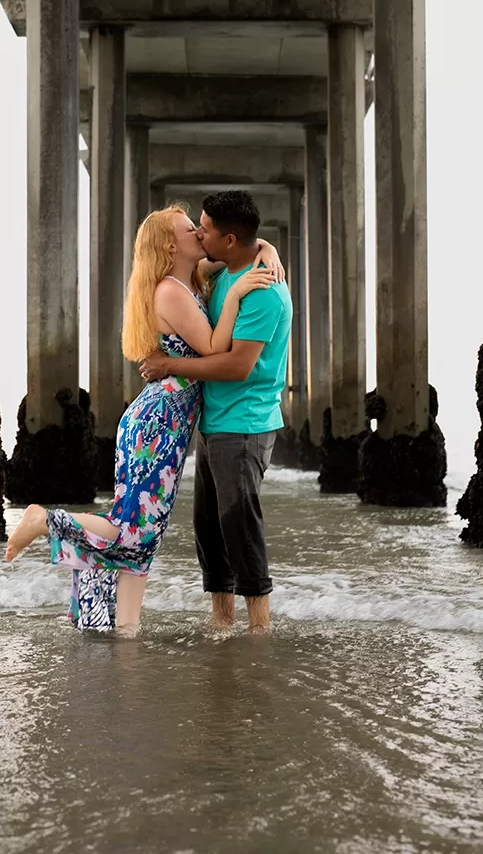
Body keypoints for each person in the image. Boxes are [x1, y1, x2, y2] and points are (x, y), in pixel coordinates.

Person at [4, 204, 284, 634]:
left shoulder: (193, 279)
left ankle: (120, 626)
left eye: (202, 228)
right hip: (158, 423)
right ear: (171, 244)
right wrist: (237, 292)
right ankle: (46, 519)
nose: (199, 233)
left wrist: (267, 247)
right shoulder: (171, 289)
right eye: (191, 229)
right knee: (132, 526)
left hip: (166, 422)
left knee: (143, 533)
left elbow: (239, 245)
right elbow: (212, 347)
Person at [140, 191, 293, 634]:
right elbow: (191, 266)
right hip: (215, 423)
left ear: (228, 239)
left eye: (204, 228)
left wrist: (169, 365)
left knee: (239, 527)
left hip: (244, 424)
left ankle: (259, 632)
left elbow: (236, 365)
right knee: (210, 530)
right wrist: (267, 245)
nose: (197, 232)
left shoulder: (264, 293)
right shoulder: (227, 270)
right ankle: (222, 625)